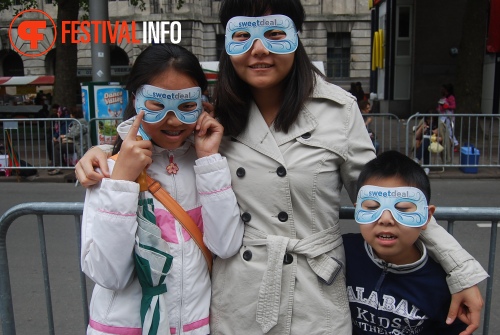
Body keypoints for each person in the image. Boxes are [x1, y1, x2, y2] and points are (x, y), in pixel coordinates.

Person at [75, 1, 487, 334]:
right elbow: (157, 136)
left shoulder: (336, 109)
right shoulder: (213, 113)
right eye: (244, 36)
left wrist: (458, 269)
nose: (259, 50)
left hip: (316, 295)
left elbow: (386, 197)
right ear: (227, 44)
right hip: (240, 295)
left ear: (297, 38)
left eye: (274, 33)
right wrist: (102, 153)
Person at [80, 44, 243, 335]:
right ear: (135, 99)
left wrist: (208, 162)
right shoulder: (107, 170)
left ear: (203, 102)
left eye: (186, 105)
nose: (174, 120)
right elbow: (109, 275)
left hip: (194, 327)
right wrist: (121, 183)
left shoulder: (210, 162)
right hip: (123, 328)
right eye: (157, 105)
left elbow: (226, 245)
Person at [343, 151, 473, 334]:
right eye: (372, 207)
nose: (386, 219)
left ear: (426, 216)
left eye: (403, 209)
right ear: (358, 211)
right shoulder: (342, 254)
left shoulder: (442, 284)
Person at [48, 107, 89, 175]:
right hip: (74, 142)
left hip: (78, 144)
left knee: (57, 147)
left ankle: (57, 167)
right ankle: (58, 164)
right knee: (56, 144)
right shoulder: (75, 121)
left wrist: (65, 136)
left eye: (71, 114)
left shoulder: (81, 122)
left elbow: (76, 133)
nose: (70, 115)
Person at [413, 110, 452, 175]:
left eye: (431, 119)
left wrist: (434, 135)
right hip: (425, 143)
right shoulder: (423, 122)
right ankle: (426, 167)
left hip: (436, 143)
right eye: (428, 119)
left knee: (426, 141)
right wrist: (421, 129)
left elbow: (443, 139)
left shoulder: (439, 124)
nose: (429, 121)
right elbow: (416, 136)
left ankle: (417, 159)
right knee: (426, 142)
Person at [437, 83, 459, 150]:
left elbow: (453, 106)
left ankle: (455, 144)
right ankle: (449, 144)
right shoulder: (444, 97)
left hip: (448, 117)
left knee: (449, 131)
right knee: (443, 130)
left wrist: (447, 106)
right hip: (442, 116)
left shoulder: (451, 97)